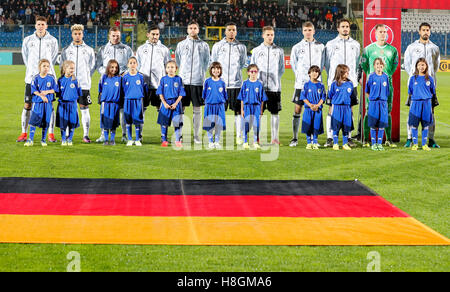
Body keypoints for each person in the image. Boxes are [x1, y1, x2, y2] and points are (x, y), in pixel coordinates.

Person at [18, 16, 59, 143]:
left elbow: (52, 57)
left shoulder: (52, 40)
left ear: (46, 26)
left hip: (47, 78)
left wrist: (45, 71)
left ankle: (50, 134)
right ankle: (24, 132)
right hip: (31, 78)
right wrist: (32, 70)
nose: (40, 26)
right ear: (35, 26)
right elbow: (25, 57)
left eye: (43, 24)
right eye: (38, 24)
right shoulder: (28, 40)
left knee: (49, 105)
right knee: (27, 105)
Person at [359, 24, 399, 148]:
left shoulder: (393, 50)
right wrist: (372, 76)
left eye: (384, 32)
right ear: (375, 34)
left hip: (387, 86)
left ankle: (388, 140)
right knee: (368, 112)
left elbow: (395, 65)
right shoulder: (368, 49)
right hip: (373, 86)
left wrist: (387, 76)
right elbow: (364, 65)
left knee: (387, 112)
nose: (383, 34)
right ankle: (366, 139)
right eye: (380, 32)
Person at [324, 18, 360, 148]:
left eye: (347, 26)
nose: (345, 29)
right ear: (338, 28)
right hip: (335, 83)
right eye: (343, 26)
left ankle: (348, 137)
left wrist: (351, 78)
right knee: (331, 108)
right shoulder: (330, 44)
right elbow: (327, 64)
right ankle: (329, 137)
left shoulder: (355, 44)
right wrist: (334, 78)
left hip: (351, 83)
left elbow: (356, 63)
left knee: (349, 109)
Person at [404, 22, 440, 148]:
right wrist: (416, 79)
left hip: (429, 86)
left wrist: (428, 79)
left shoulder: (435, 48)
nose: (426, 32)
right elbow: (408, 65)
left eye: (428, 30)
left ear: (430, 32)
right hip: (415, 85)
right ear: (419, 31)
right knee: (412, 112)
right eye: (423, 30)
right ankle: (409, 138)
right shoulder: (411, 47)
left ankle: (431, 138)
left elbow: (435, 66)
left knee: (431, 112)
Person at [211, 22, 247, 145]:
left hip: (236, 84)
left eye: (234, 30)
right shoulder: (218, 46)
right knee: (219, 110)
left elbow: (242, 63)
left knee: (238, 111)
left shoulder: (241, 47)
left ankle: (239, 136)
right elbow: (214, 62)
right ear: (225, 31)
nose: (231, 32)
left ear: (236, 32)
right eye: (229, 30)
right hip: (221, 85)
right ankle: (217, 137)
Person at [289, 21, 325, 147]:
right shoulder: (297, 47)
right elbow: (294, 65)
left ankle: (314, 138)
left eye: (310, 30)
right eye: (305, 30)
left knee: (315, 109)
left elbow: (323, 63)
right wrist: (301, 78)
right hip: (301, 84)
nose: (308, 32)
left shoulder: (321, 46)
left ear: (314, 31)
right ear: (302, 31)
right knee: (298, 109)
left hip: (316, 84)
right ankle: (294, 138)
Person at [96, 26, 133, 143]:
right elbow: (98, 65)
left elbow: (131, 64)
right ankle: (103, 134)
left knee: (123, 110)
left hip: (122, 83)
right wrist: (107, 74)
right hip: (107, 84)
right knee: (104, 109)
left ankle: (124, 134)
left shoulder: (126, 49)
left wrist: (123, 74)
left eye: (117, 35)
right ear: (109, 36)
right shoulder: (103, 49)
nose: (115, 38)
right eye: (113, 35)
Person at [175, 20, 210, 144]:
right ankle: (179, 135)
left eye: (195, 28)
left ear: (198, 30)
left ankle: (196, 136)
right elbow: (178, 61)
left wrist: (200, 73)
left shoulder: (204, 45)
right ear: (187, 30)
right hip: (183, 82)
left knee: (197, 110)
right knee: (181, 109)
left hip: (197, 81)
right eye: (190, 28)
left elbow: (207, 62)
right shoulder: (181, 45)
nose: (192, 30)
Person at [60, 24, 96, 143]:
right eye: (75, 34)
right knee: (68, 109)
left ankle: (85, 135)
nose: (77, 36)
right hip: (69, 85)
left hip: (83, 84)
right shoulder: (66, 50)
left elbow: (92, 66)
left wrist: (85, 77)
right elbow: (62, 66)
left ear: (83, 34)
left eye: (79, 33)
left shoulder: (89, 50)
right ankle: (66, 134)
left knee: (84, 108)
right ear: (72, 35)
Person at [250, 25, 285, 145]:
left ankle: (274, 138)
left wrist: (275, 80)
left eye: (272, 35)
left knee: (275, 113)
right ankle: (257, 137)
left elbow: (281, 69)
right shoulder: (256, 51)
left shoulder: (279, 51)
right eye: (268, 35)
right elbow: (252, 68)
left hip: (274, 88)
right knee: (258, 113)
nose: (270, 37)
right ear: (263, 35)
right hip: (259, 88)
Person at [136, 24, 171, 139]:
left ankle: (163, 136)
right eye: (153, 34)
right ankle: (139, 135)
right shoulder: (141, 49)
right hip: (144, 86)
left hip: (159, 86)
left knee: (162, 110)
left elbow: (168, 67)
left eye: (157, 34)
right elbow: (138, 66)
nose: (155, 36)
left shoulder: (164, 49)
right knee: (142, 110)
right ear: (148, 35)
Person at [24, 59, 58, 147]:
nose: (46, 68)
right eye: (44, 66)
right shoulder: (36, 78)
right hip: (38, 103)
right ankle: (30, 139)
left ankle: (43, 140)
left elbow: (55, 89)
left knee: (46, 122)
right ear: (39, 67)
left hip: (48, 104)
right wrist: (41, 96)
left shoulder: (51, 77)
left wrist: (47, 92)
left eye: (47, 66)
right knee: (33, 121)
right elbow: (33, 89)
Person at [237, 64, 268, 150]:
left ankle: (255, 141)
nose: (253, 73)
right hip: (247, 107)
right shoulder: (245, 83)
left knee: (256, 125)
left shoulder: (259, 84)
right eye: (252, 71)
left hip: (256, 108)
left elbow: (262, 99)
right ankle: (245, 141)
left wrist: (261, 111)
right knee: (246, 124)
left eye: (255, 72)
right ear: (248, 72)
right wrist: (242, 110)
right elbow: (242, 98)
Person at [407, 58, 435, 151]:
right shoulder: (413, 78)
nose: (421, 67)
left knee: (425, 124)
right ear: (416, 66)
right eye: (419, 65)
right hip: (415, 104)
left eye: (423, 65)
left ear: (426, 66)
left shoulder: (429, 78)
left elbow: (432, 92)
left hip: (426, 104)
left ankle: (424, 144)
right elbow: (410, 91)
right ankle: (415, 144)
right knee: (414, 124)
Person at [156, 60, 186, 148]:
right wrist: (164, 103)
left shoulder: (179, 79)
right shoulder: (163, 79)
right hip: (166, 103)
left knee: (177, 122)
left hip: (176, 103)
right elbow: (160, 93)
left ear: (176, 69)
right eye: (168, 67)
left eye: (172, 67)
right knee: (164, 122)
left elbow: (181, 93)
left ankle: (177, 140)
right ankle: (164, 140)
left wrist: (176, 103)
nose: (170, 69)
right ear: (165, 69)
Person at [364, 58, 390, 151]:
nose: (379, 66)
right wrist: (371, 100)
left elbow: (387, 91)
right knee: (373, 124)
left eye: (381, 64)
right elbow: (367, 91)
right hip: (373, 103)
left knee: (382, 124)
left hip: (383, 103)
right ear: (374, 66)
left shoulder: (386, 77)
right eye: (377, 64)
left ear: (383, 66)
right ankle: (373, 144)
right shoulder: (371, 76)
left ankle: (379, 144)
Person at [122, 57, 148, 147]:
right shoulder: (125, 77)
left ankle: (137, 139)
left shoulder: (140, 77)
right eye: (130, 63)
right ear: (128, 65)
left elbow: (145, 89)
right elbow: (123, 89)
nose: (132, 64)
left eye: (134, 62)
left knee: (137, 120)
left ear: (137, 64)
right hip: (128, 100)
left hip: (138, 101)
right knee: (128, 120)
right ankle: (130, 139)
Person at [327, 64, 353, 151]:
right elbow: (330, 96)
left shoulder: (350, 84)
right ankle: (335, 143)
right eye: (346, 72)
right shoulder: (334, 84)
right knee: (336, 125)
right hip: (337, 107)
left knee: (346, 126)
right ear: (340, 73)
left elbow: (351, 96)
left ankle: (345, 144)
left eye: (348, 72)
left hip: (346, 108)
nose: (348, 74)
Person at [202, 62, 228, 149]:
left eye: (218, 68)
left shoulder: (222, 82)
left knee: (219, 124)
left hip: (219, 106)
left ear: (220, 70)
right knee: (210, 124)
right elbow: (204, 94)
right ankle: (210, 141)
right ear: (211, 70)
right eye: (214, 68)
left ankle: (217, 141)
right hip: (209, 106)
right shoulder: (207, 81)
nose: (216, 70)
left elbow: (225, 94)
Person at [56, 60, 81, 146]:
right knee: (63, 123)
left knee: (72, 122)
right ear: (65, 68)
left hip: (72, 104)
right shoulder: (60, 80)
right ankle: (63, 139)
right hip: (62, 105)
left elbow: (79, 92)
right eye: (71, 68)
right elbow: (57, 92)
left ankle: (70, 139)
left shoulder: (75, 80)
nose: (72, 70)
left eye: (73, 68)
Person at [301, 65, 326, 150]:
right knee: (308, 125)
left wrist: (317, 105)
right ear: (309, 73)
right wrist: (310, 105)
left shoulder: (321, 85)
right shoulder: (306, 85)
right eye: (313, 72)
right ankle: (309, 142)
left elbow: (323, 97)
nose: (315, 73)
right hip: (308, 109)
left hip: (318, 109)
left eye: (317, 72)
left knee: (316, 125)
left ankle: (315, 142)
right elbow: (303, 97)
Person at [98, 59, 122, 146]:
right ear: (108, 67)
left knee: (113, 123)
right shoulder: (104, 77)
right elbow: (100, 89)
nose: (114, 69)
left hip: (115, 104)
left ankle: (112, 140)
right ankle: (106, 140)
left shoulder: (119, 78)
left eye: (116, 67)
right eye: (112, 67)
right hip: (105, 104)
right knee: (105, 122)